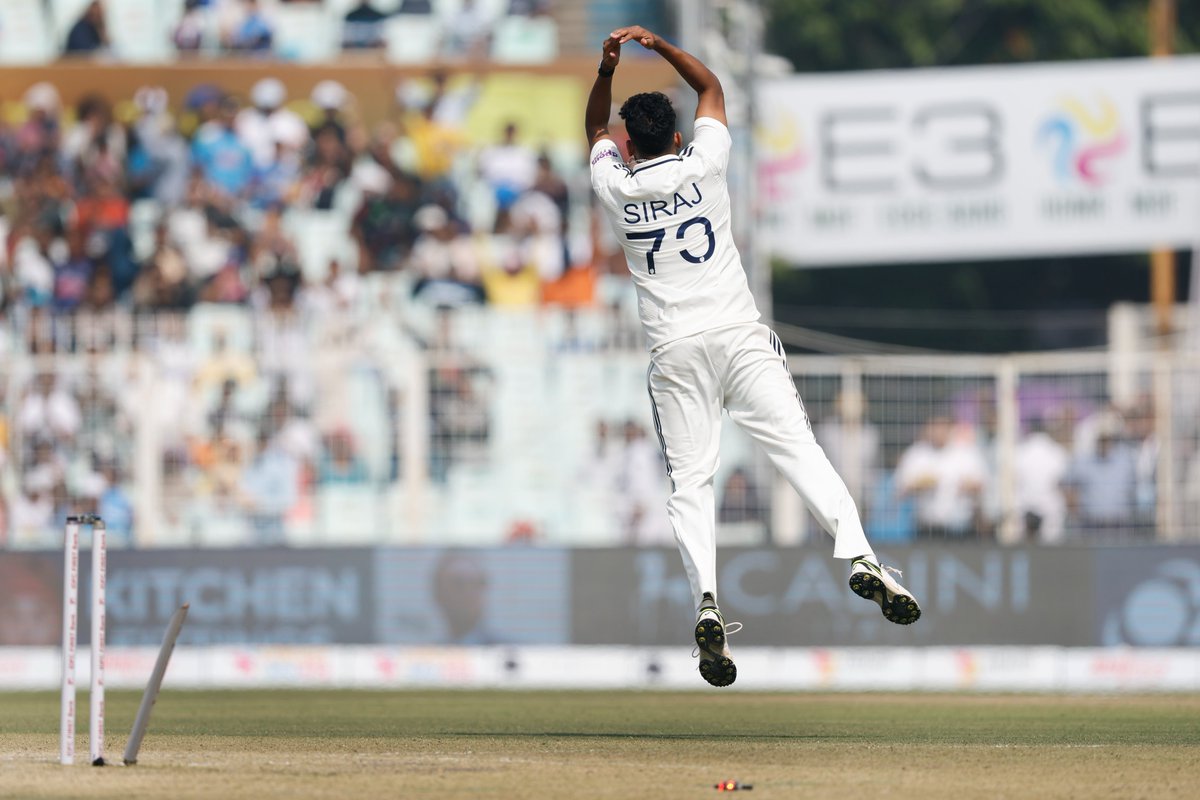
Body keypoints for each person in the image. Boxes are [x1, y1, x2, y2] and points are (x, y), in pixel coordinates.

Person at [586, 26, 922, 688]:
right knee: (800, 449)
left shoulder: (618, 189)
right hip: (739, 336)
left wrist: (608, 69)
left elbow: (595, 123)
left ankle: (708, 599)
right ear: (676, 137)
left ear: (630, 146)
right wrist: (659, 46)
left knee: (692, 484)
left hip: (676, 350)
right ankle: (860, 556)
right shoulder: (704, 163)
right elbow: (710, 86)